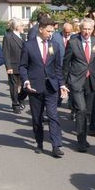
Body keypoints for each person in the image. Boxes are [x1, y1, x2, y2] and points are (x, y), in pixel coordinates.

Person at [19, 18, 67, 157]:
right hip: (35, 86)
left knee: (53, 116)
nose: (50, 34)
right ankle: (39, 142)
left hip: (51, 86)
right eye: (48, 31)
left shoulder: (55, 45)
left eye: (52, 31)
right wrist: (26, 81)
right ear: (40, 29)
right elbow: (23, 66)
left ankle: (56, 145)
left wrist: (62, 84)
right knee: (37, 117)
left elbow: (58, 68)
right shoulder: (28, 45)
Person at [61, 18, 95, 152]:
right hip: (76, 80)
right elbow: (66, 63)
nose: (86, 32)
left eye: (89, 29)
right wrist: (64, 83)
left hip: (91, 81)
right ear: (80, 29)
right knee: (81, 109)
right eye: (84, 29)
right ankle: (80, 140)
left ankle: (84, 137)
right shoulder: (73, 43)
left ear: (92, 30)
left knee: (88, 112)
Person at [2, 18, 28, 113]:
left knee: (26, 86)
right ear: (17, 27)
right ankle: (15, 104)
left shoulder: (23, 36)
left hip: (23, 66)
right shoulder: (8, 37)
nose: (23, 27)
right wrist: (8, 67)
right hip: (13, 66)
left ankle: (20, 98)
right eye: (22, 25)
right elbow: (6, 53)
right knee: (14, 86)